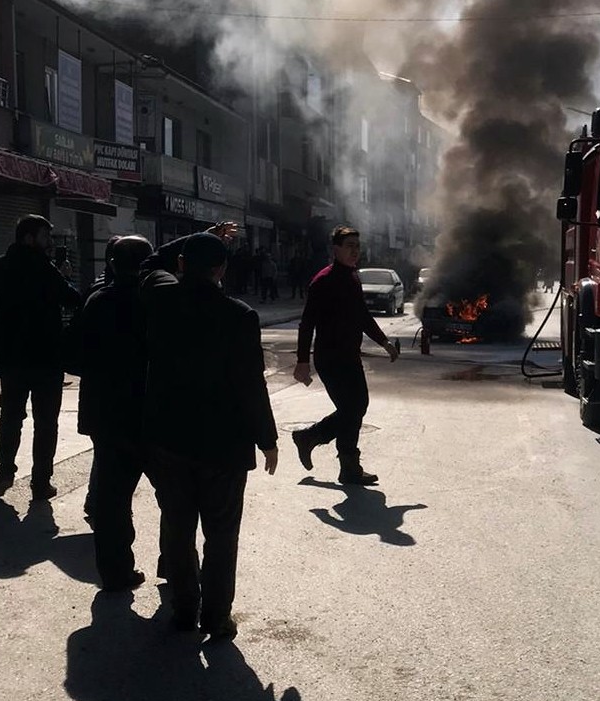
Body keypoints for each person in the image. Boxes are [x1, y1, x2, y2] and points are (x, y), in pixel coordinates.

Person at [144, 233, 278, 638]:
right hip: (224, 445)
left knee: (176, 526)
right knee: (221, 535)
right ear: (221, 270)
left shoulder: (159, 303)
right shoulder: (239, 316)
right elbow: (250, 384)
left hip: (169, 439)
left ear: (182, 265)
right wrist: (267, 438)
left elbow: (151, 261)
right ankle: (217, 616)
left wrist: (185, 245)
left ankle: (184, 609)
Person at [73, 236, 156, 591]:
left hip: (108, 417)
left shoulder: (97, 303)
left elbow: (71, 356)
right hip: (153, 414)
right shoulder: (156, 302)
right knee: (174, 496)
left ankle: (115, 571)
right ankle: (177, 564)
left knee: (111, 500)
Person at [291, 225, 399, 485]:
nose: (355, 252)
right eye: (349, 246)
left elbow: (362, 316)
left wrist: (384, 342)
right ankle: (315, 441)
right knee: (352, 409)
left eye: (357, 247)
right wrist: (302, 361)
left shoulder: (352, 278)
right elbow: (307, 323)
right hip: (330, 359)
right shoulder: (323, 281)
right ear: (335, 249)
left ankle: (343, 463)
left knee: (356, 407)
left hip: (350, 356)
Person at [0, 214, 82, 499]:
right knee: (45, 422)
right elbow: (72, 299)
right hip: (45, 359)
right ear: (29, 238)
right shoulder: (45, 270)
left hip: (12, 357)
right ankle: (41, 481)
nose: (49, 243)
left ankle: (4, 471)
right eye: (45, 237)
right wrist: (61, 275)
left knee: (10, 416)